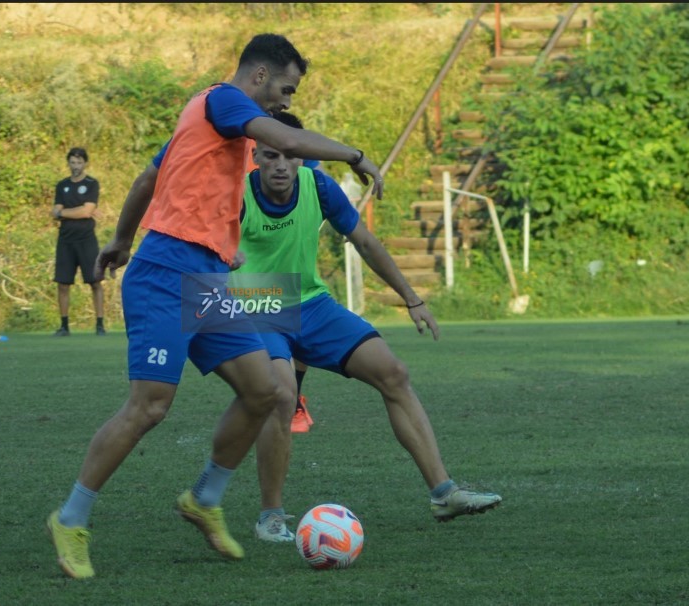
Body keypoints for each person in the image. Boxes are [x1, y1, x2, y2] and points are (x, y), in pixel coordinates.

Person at [46, 33, 385, 580]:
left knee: (266, 390)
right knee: (149, 407)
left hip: (206, 279)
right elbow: (286, 139)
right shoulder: (224, 100)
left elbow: (150, 177)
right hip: (165, 274)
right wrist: (356, 155)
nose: (286, 102)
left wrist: (121, 239)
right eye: (285, 89)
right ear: (259, 76)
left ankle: (204, 499)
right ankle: (70, 518)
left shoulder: (212, 123)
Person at [238, 111, 502, 543]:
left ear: (303, 156)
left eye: (290, 154)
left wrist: (412, 298)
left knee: (393, 373)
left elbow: (364, 241)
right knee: (281, 396)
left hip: (311, 303)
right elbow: (202, 256)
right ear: (255, 156)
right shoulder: (235, 195)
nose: (281, 164)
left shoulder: (319, 186)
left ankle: (444, 493)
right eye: (271, 155)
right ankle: (272, 517)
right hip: (256, 304)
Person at [51, 147, 105, 336]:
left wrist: (64, 213)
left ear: (85, 163)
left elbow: (86, 211)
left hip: (86, 239)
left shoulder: (91, 184)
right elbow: (54, 212)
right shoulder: (62, 185)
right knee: (62, 283)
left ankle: (100, 325)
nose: (76, 166)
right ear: (68, 163)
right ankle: (64, 326)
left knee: (95, 282)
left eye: (79, 162)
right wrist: (75, 211)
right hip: (65, 240)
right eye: (73, 162)